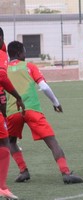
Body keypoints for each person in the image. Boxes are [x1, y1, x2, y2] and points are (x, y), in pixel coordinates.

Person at [6, 41, 83, 184]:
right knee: (51, 141)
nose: (26, 54)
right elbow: (44, 87)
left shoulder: (3, 69)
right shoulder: (29, 67)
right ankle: (65, 172)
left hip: (13, 112)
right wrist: (56, 103)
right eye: (24, 51)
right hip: (32, 109)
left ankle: (23, 171)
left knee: (11, 141)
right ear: (19, 53)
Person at [0, 28, 25, 200]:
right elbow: (1, 76)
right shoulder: (1, 55)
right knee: (4, 142)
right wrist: (17, 96)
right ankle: (2, 187)